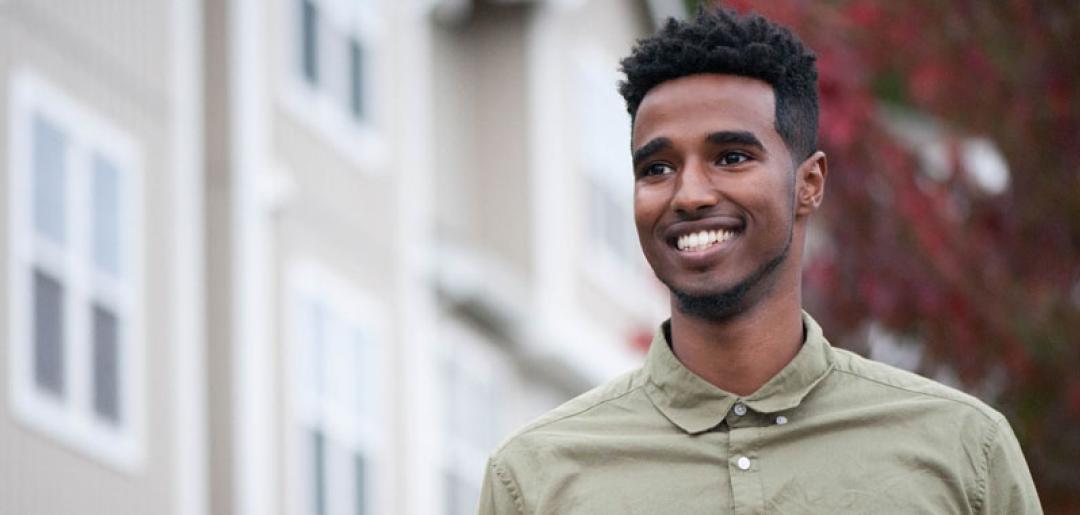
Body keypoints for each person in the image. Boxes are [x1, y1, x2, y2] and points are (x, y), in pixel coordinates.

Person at [477, 7, 1042, 514]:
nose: (689, 194)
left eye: (731, 157)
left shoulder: (964, 451)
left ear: (809, 183)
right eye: (657, 168)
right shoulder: (536, 478)